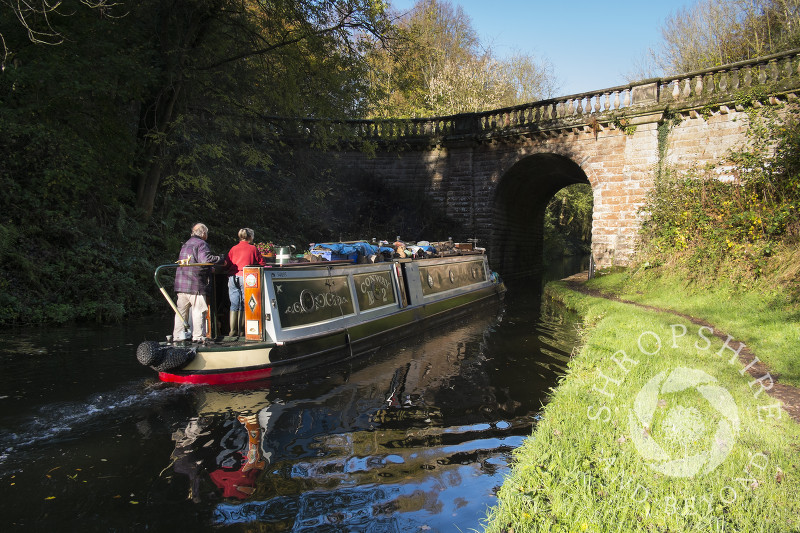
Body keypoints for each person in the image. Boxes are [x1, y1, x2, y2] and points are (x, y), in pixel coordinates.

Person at [173, 223, 224, 344]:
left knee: (181, 312)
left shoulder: (186, 244)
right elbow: (205, 260)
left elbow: (194, 261)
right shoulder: (201, 244)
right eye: (206, 233)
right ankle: (198, 336)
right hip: (195, 284)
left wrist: (207, 268)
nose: (207, 235)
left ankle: (178, 336)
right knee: (199, 310)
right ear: (203, 233)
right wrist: (220, 259)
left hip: (181, 284)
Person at [225, 228, 266, 337]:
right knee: (244, 304)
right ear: (250, 237)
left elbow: (227, 264)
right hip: (246, 278)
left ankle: (232, 331)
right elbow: (262, 263)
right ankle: (242, 331)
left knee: (234, 305)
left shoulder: (233, 248)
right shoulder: (253, 248)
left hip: (233, 278)